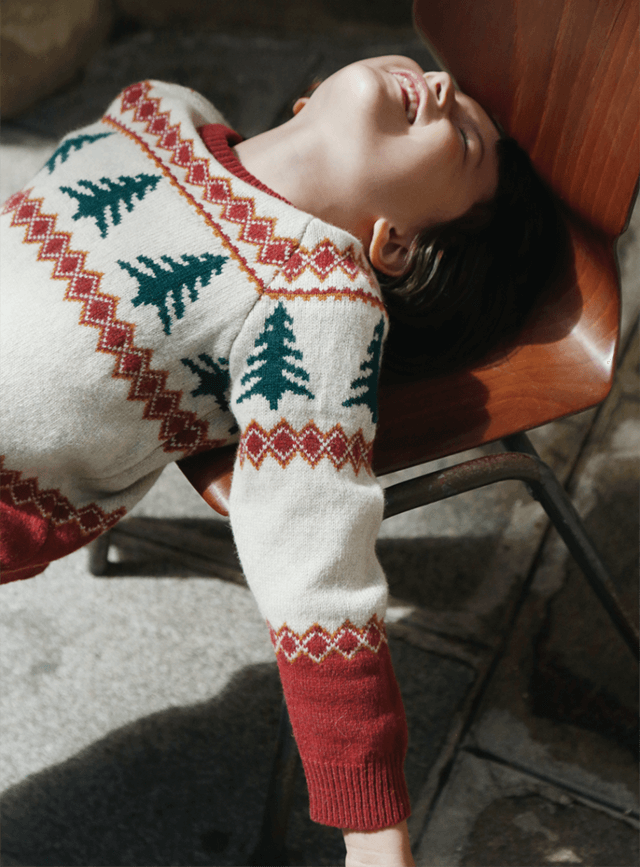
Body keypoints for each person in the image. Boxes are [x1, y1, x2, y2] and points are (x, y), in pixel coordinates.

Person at [0, 56, 566, 866]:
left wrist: (374, 833)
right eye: (441, 77)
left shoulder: (315, 297)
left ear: (396, 243)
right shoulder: (161, 106)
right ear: (306, 99)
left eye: (466, 139)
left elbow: (313, 553)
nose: (442, 86)